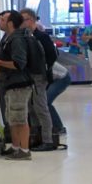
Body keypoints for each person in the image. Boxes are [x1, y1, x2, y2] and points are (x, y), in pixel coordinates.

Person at [0, 10, 33, 161]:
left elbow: (19, 63)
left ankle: (24, 150)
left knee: (20, 118)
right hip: (10, 83)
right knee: (12, 118)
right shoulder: (9, 38)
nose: (0, 21)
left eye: (3, 19)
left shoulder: (17, 40)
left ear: (10, 23)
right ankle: (16, 147)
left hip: (19, 84)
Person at [21, 9, 56, 149]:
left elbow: (52, 56)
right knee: (31, 107)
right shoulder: (25, 37)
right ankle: (36, 136)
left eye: (24, 19)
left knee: (41, 107)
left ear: (32, 20)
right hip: (29, 76)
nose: (22, 23)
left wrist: (43, 68)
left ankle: (47, 140)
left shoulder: (41, 36)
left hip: (39, 76)